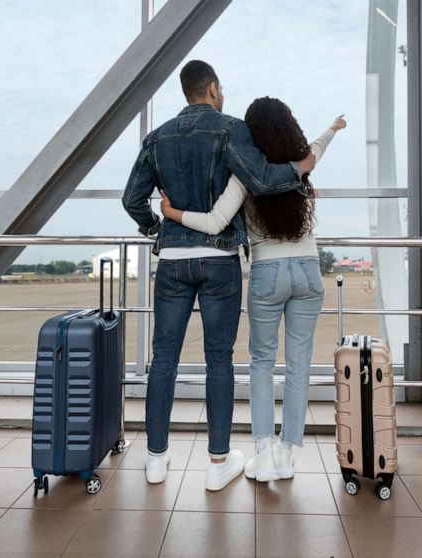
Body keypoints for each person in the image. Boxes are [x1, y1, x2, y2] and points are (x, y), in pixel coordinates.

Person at [122, 61, 316, 491]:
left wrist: (156, 227)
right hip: (219, 258)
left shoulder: (156, 138)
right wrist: (302, 165)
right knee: (219, 360)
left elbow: (131, 198)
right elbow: (261, 181)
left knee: (164, 358)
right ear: (212, 88)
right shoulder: (230, 129)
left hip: (172, 259)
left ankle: (156, 459)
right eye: (221, 87)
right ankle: (217, 463)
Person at [160, 97, 345, 482]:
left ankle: (262, 453)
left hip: (267, 273)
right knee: (298, 365)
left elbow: (215, 222)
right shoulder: (300, 167)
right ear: (288, 126)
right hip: (309, 273)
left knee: (261, 362)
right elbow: (317, 149)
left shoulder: (246, 175)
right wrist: (332, 129)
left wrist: (173, 214)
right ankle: (287, 455)